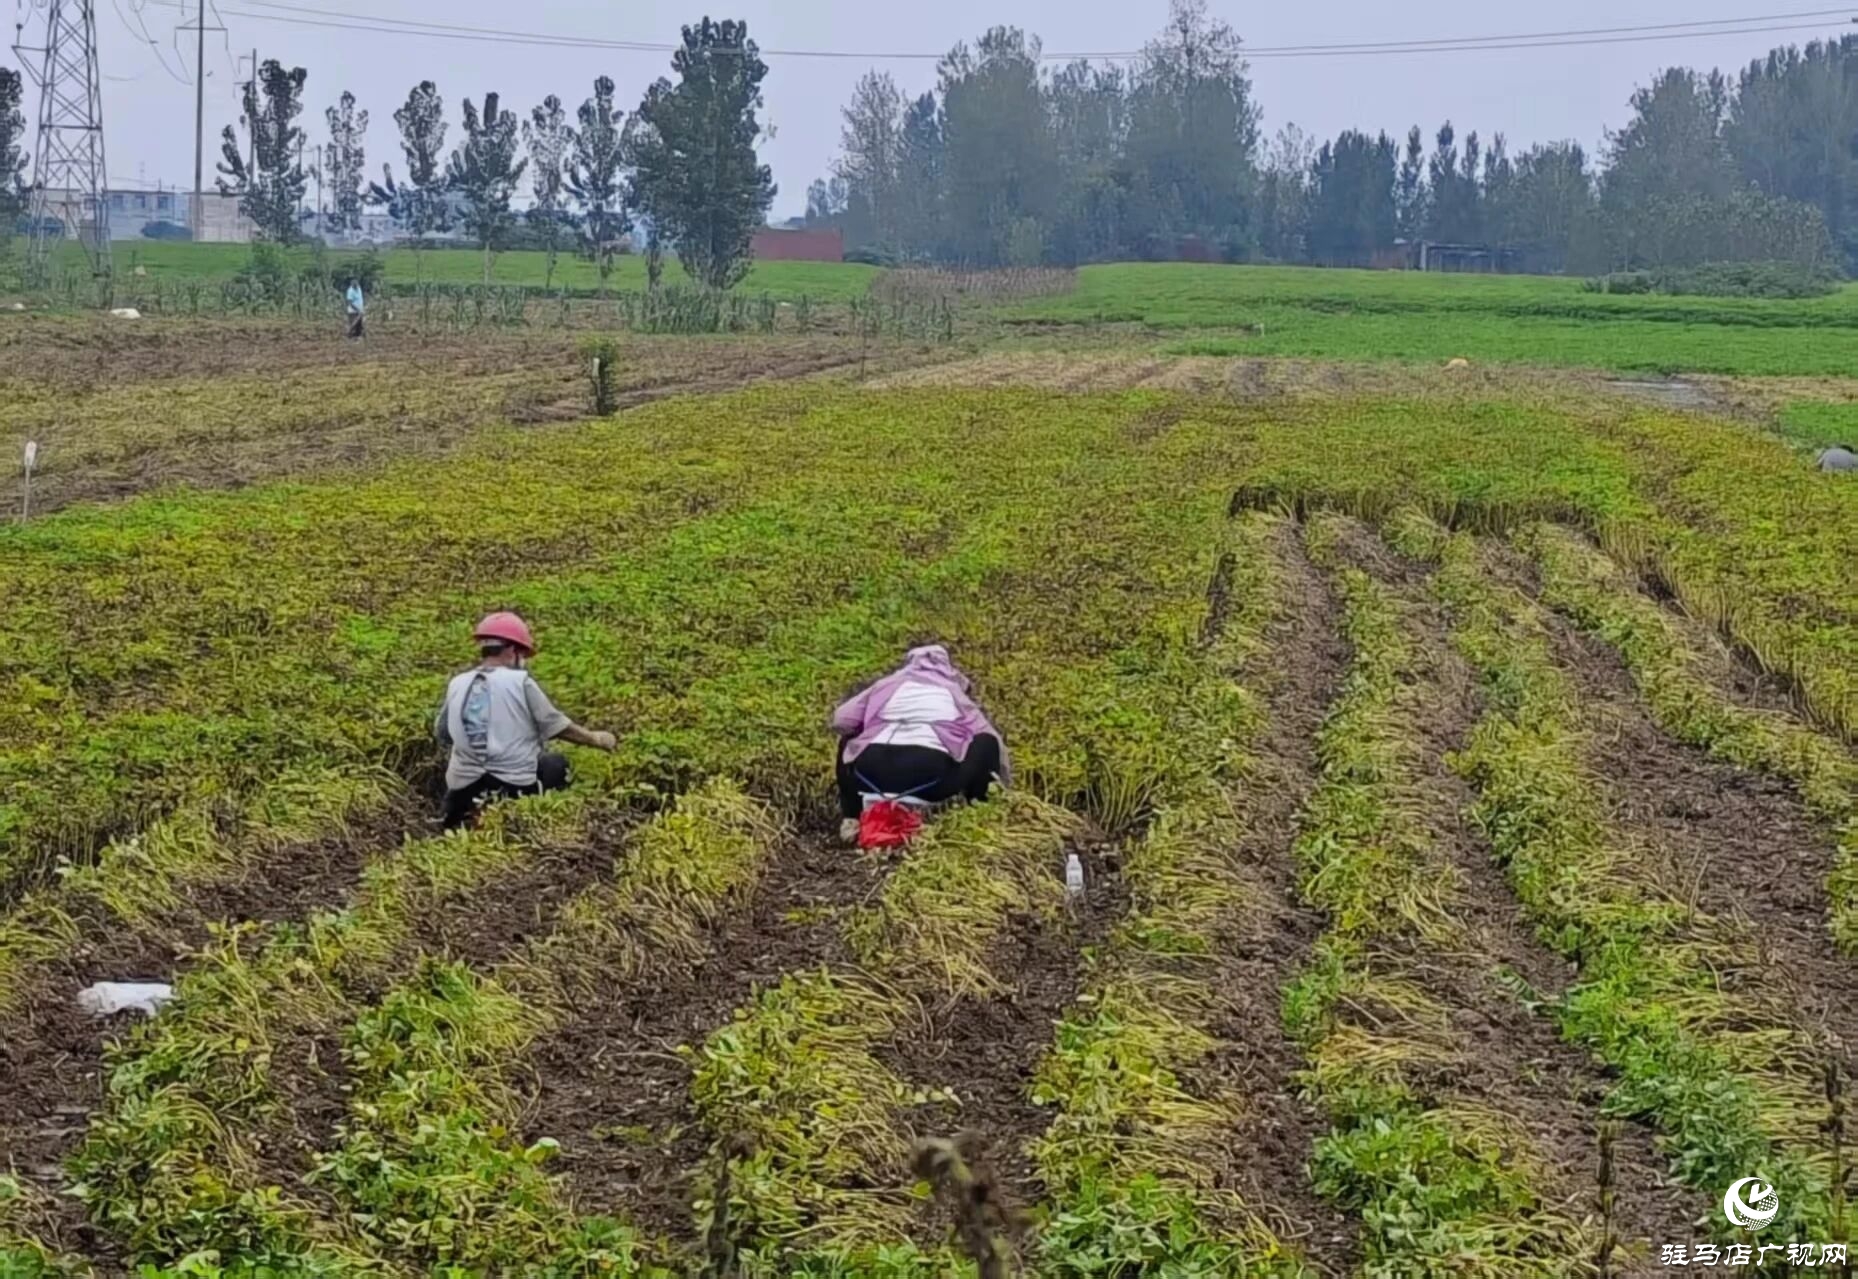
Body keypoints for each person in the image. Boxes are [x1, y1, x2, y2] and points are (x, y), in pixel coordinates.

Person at [435, 611, 616, 830]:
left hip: (462, 788)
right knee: (557, 764)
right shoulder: (520, 682)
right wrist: (596, 739)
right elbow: (556, 725)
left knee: (454, 808)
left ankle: (454, 819)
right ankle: (546, 823)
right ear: (513, 650)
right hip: (513, 784)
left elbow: (443, 732)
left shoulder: (457, 682)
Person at [830, 644, 1008, 844]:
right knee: (986, 742)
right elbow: (987, 734)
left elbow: (841, 721)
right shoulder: (953, 692)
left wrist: (874, 723)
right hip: (930, 781)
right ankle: (980, 815)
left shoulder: (887, 685)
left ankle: (852, 817)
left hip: (868, 775)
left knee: (849, 739)